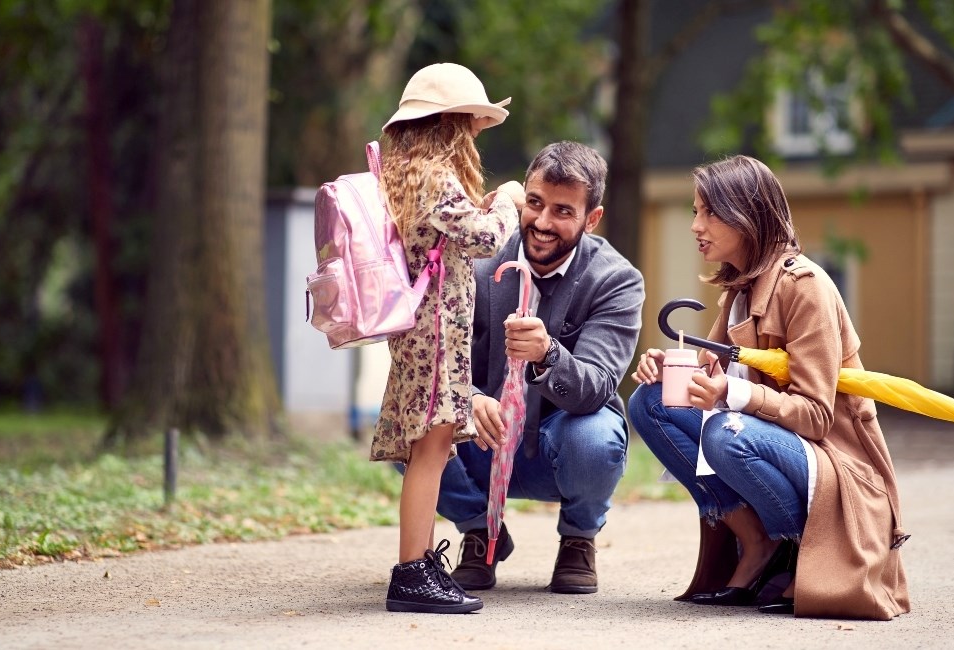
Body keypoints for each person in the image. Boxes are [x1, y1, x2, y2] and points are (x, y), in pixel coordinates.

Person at [627, 155, 910, 619]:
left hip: (837, 467)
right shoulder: (741, 289)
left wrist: (731, 397)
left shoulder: (806, 286)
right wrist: (667, 369)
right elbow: (710, 379)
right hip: (775, 444)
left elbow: (817, 416)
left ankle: (801, 545)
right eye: (695, 211)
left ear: (747, 214)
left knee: (725, 433)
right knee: (651, 403)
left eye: (709, 213)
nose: (696, 225)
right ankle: (755, 540)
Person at [433, 141, 645, 595]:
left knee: (596, 437)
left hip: (558, 446)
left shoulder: (615, 280)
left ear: (592, 219)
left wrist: (549, 354)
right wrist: (468, 397)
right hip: (483, 441)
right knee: (411, 422)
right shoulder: (478, 259)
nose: (542, 223)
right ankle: (479, 530)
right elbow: (440, 360)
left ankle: (577, 539)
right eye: (535, 203)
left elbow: (597, 387)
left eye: (563, 211)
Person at [372, 62, 524, 615]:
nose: (477, 134)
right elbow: (484, 238)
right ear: (451, 123)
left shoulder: (404, 175)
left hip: (419, 334)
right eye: (472, 123)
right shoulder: (436, 179)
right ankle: (411, 573)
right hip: (436, 334)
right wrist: (507, 200)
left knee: (426, 451)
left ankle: (415, 566)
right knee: (432, 452)